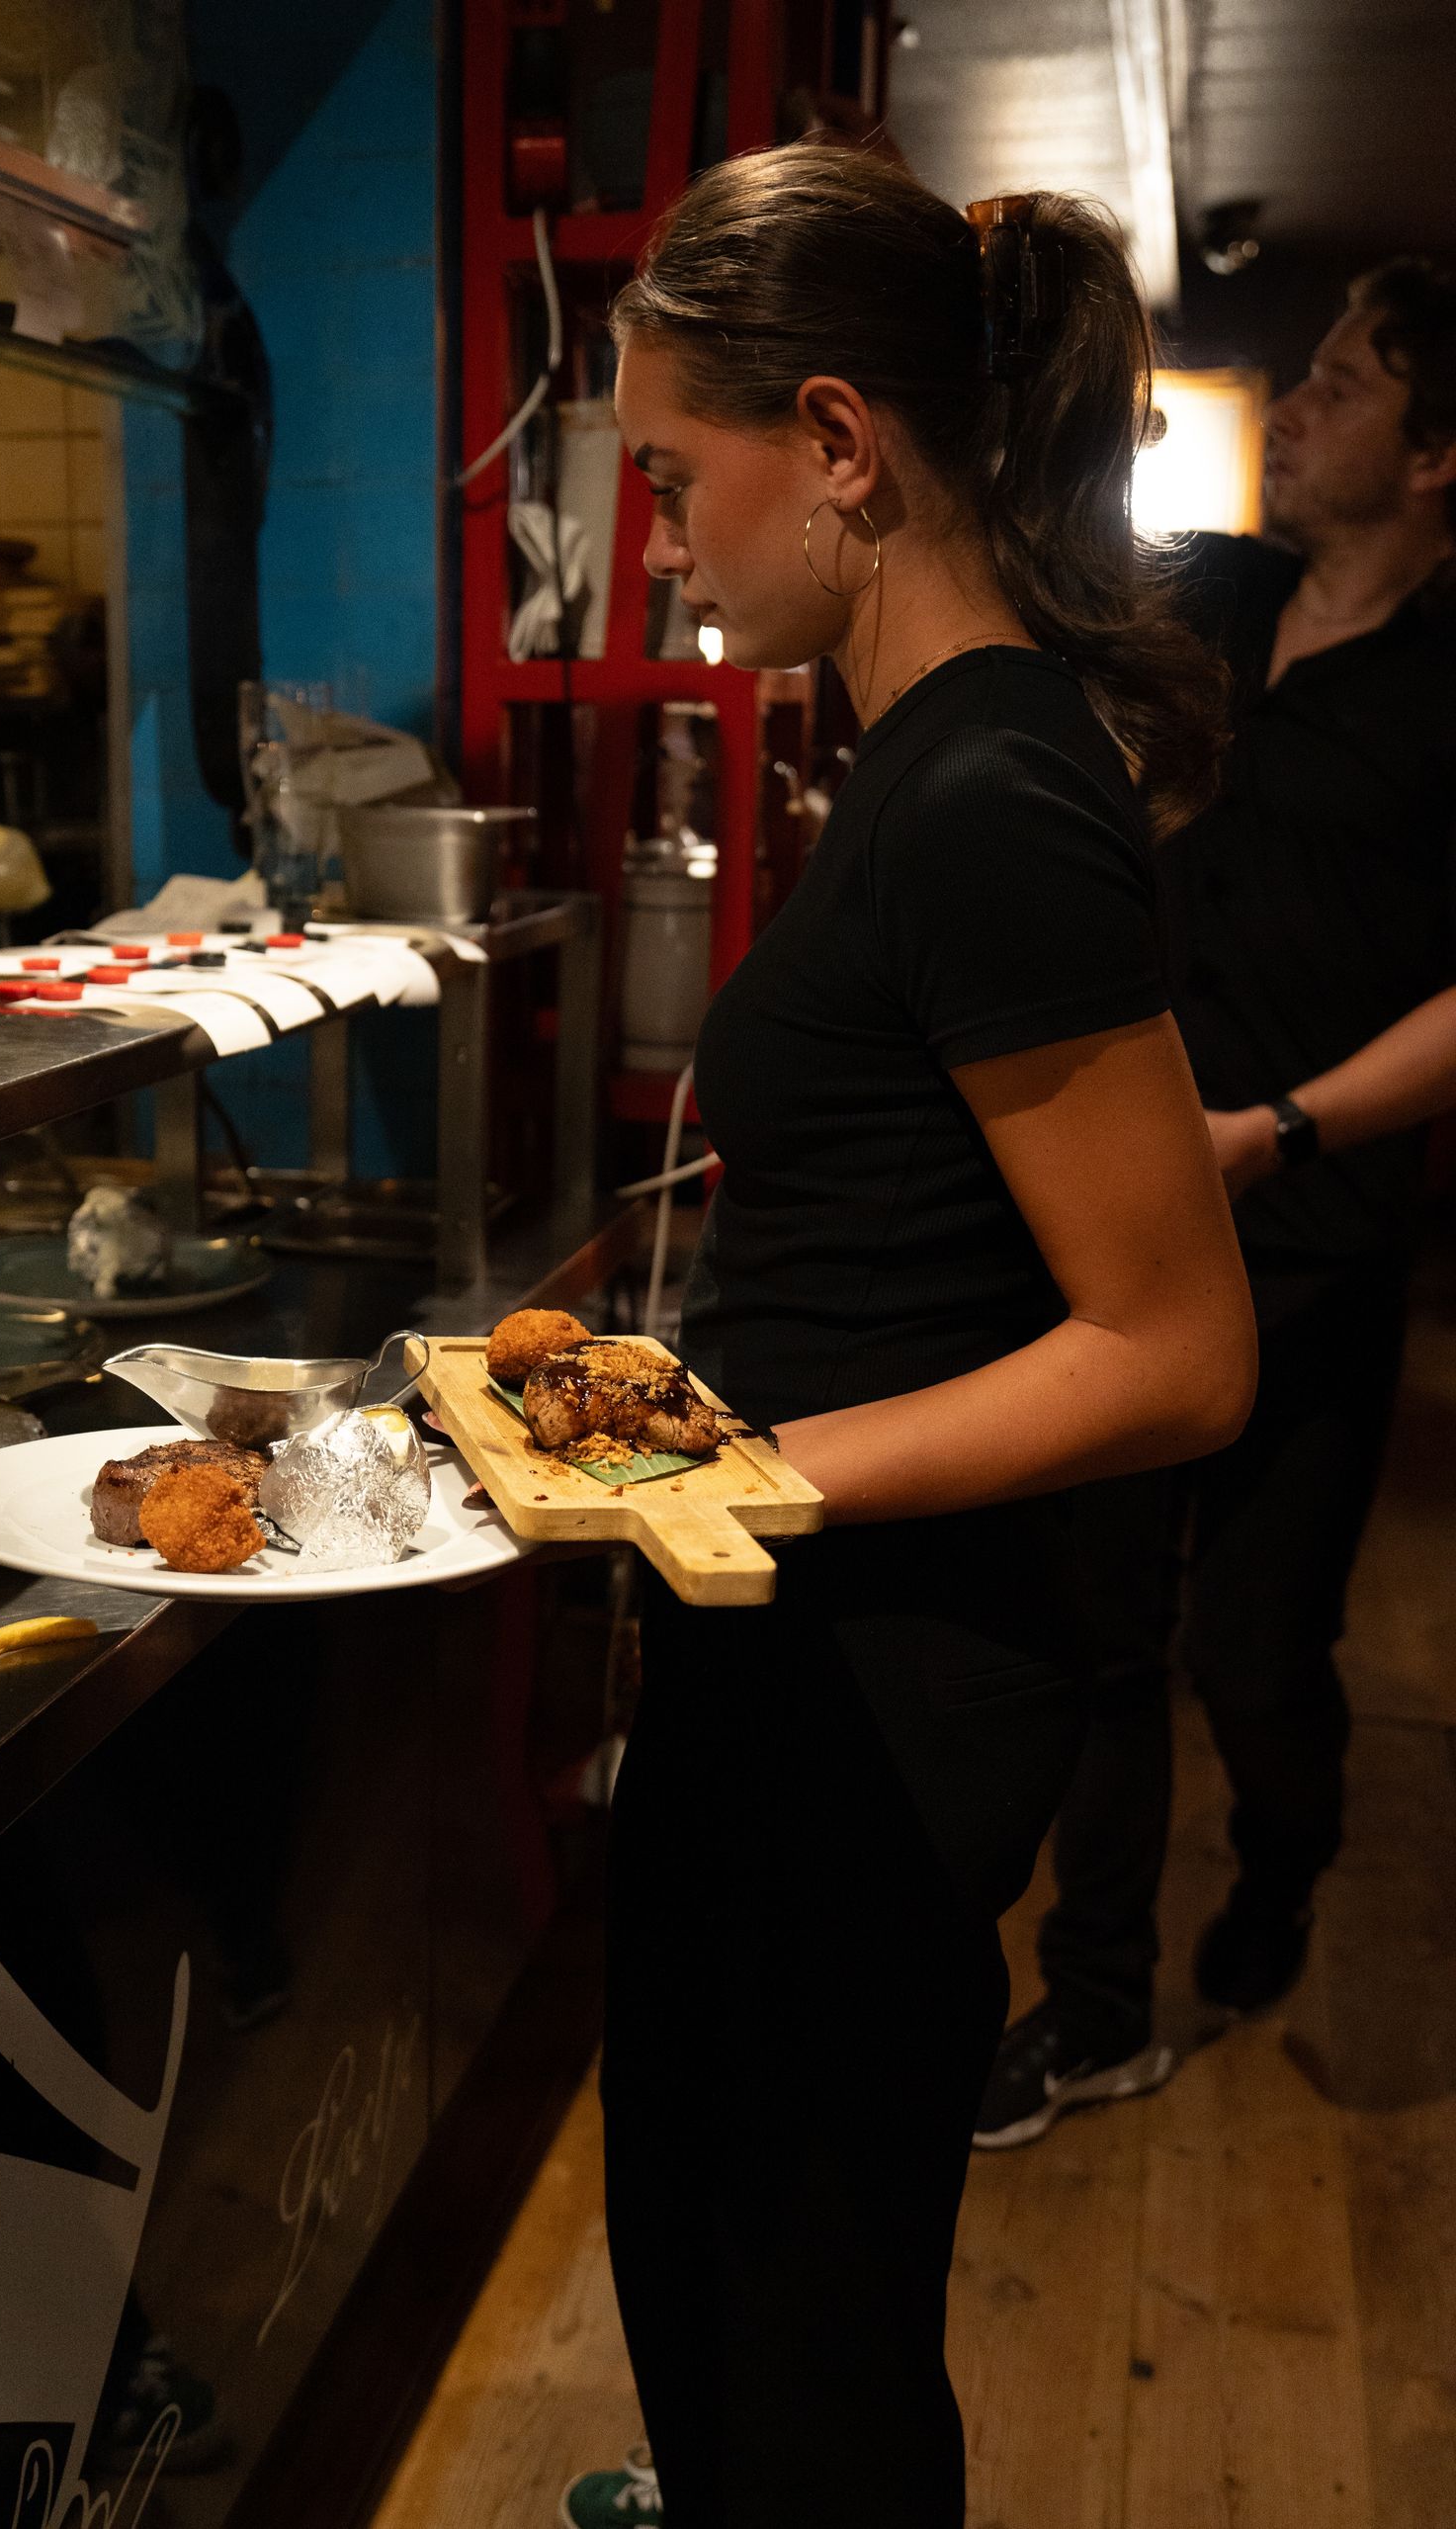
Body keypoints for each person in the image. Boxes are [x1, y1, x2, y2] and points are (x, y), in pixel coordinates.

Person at [561, 145, 1258, 2529]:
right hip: (807, 1634)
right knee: (728, 2255)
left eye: (676, 475)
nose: (664, 541)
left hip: (888, 1682)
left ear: (839, 447)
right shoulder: (930, 752)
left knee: (797, 2329)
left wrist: (717, 1474)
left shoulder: (987, 784)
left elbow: (1177, 1349)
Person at [975, 258, 1456, 2152]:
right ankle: (1094, 2003)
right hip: (1133, 1219)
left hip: (1317, 1226)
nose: (1303, 406)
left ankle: (1282, 1866)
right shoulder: (1216, 596)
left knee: (1254, 1650)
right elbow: (1043, 570)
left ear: (1436, 456)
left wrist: (1287, 1128)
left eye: (1344, 383)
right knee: (1104, 1629)